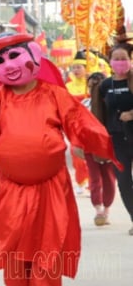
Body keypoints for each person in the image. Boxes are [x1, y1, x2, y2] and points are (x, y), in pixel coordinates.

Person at [0, 32, 119, 286]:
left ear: (33, 55)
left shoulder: (53, 93)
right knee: (14, 252)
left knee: (47, 251)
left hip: (51, 188)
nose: (9, 65)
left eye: (14, 56)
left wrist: (92, 144)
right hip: (11, 188)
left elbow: (77, 121)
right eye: (1, 60)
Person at [91, 43, 133, 235]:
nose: (120, 62)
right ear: (110, 61)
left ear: (131, 60)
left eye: (124, 58)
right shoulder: (105, 85)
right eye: (116, 58)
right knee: (123, 182)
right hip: (117, 141)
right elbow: (98, 113)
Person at [82, 72, 117, 226]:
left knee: (109, 178)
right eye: (91, 86)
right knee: (94, 178)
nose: (93, 89)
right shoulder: (84, 104)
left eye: (97, 86)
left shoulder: (112, 103)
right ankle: (98, 210)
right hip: (90, 146)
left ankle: (107, 209)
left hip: (110, 146)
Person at [66, 51, 91, 195]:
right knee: (75, 152)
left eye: (79, 67)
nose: (75, 71)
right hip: (74, 124)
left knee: (90, 153)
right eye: (74, 68)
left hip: (89, 123)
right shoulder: (68, 86)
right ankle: (81, 181)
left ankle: (93, 181)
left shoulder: (93, 83)